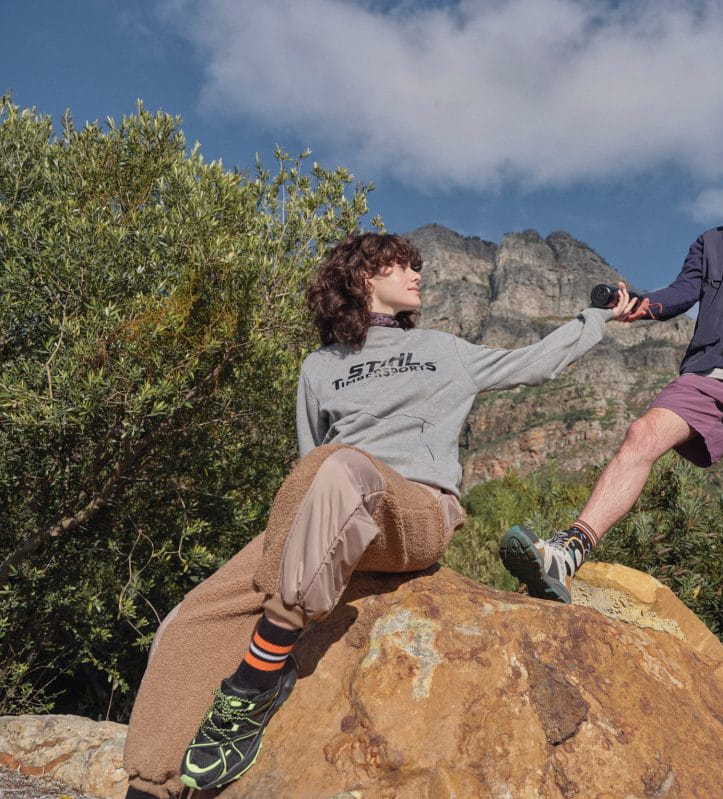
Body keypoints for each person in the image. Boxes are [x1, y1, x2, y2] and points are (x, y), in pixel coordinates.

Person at [122, 232, 635, 798]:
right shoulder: (319, 367)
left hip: (411, 511)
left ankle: (255, 683)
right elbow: (306, 458)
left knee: (339, 464)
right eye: (401, 266)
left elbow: (534, 363)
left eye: (416, 267)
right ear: (364, 278)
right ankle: (151, 783)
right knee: (191, 618)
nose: (417, 275)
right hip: (328, 507)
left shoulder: (443, 348)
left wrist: (596, 316)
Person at [499, 120, 723, 718]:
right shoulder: (713, 242)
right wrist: (638, 306)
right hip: (713, 372)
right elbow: (679, 293)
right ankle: (566, 554)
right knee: (642, 433)